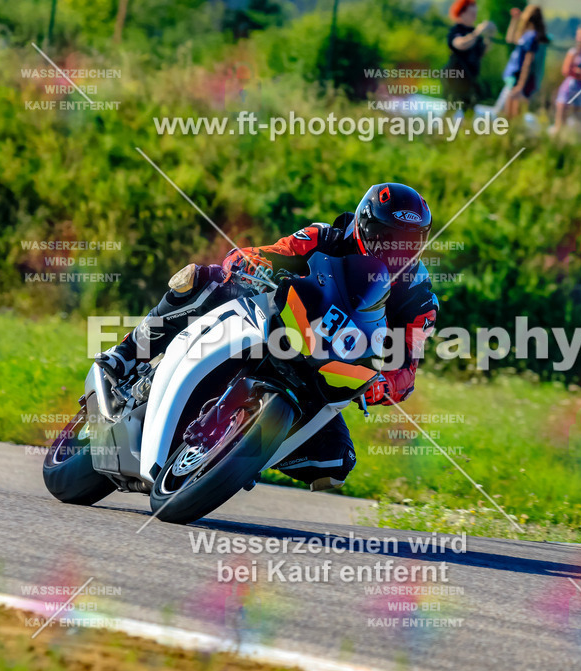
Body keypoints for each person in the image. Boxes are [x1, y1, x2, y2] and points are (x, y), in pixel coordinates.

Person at [94, 183, 439, 492]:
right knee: (207, 279)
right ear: (363, 225)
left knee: (336, 462)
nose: (396, 251)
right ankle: (130, 351)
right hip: (283, 325)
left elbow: (408, 367)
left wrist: (385, 384)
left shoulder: (420, 299)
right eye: (387, 238)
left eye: (409, 243)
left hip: (328, 368)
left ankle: (243, 455)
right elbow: (276, 251)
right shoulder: (327, 236)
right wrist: (250, 262)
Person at [442, 0, 496, 115]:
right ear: (462, 13)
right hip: (456, 77)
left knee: (469, 112)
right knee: (451, 109)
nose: (474, 17)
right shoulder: (456, 29)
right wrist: (477, 32)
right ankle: (441, 131)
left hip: (470, 79)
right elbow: (460, 44)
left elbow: (481, 53)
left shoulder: (474, 33)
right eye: (472, 14)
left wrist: (489, 36)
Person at [497, 4, 549, 120]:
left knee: (513, 112)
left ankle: (511, 134)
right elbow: (510, 39)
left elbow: (528, 62)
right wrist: (514, 21)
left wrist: (520, 86)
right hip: (516, 76)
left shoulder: (532, 37)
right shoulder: (527, 34)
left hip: (521, 77)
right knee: (507, 112)